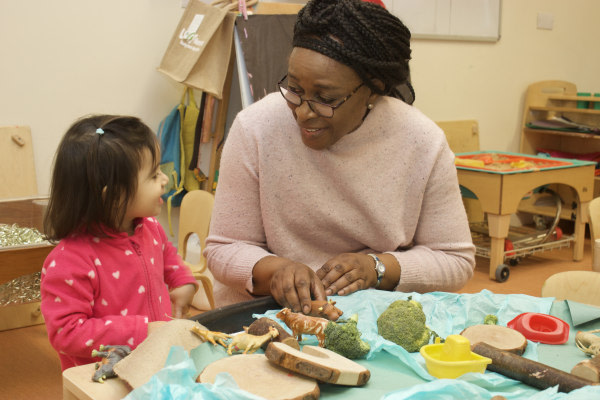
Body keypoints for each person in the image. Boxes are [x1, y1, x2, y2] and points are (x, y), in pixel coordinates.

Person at [204, 0, 475, 314]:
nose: (303, 112)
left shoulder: (423, 142)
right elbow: (224, 248)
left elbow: (455, 260)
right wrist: (276, 271)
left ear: (373, 89)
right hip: (267, 315)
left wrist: (378, 268)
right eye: (294, 89)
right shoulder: (255, 128)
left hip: (379, 318)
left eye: (325, 98)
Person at [40, 115, 198, 370]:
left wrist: (181, 280)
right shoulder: (69, 261)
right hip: (103, 377)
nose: (164, 180)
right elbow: (66, 333)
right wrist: (141, 330)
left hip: (153, 360)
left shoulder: (149, 227)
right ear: (114, 195)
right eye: (154, 175)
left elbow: (167, 255)